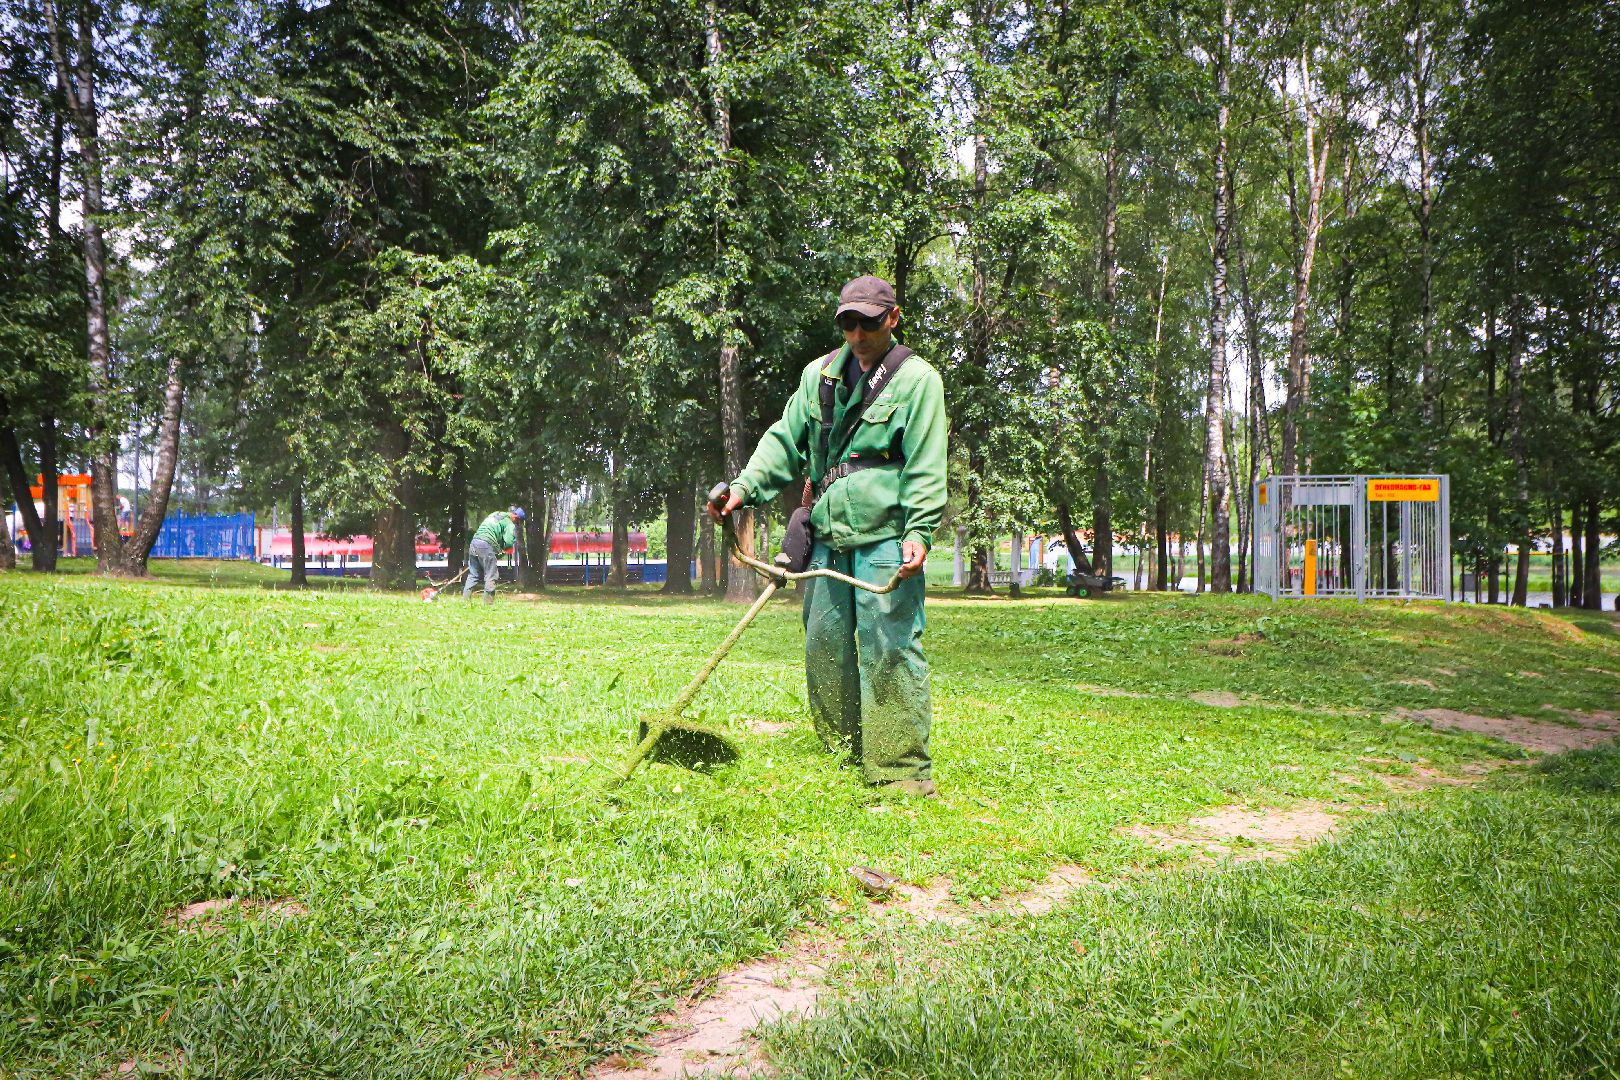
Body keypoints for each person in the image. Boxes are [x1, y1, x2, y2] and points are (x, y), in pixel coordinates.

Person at [709, 275, 948, 797]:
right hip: (826, 534)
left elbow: (926, 465)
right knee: (824, 646)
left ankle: (901, 771)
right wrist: (743, 488)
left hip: (886, 536)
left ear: (893, 317)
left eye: (867, 323)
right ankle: (844, 753)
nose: (857, 335)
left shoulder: (918, 381)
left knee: (889, 646)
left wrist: (920, 531)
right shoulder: (817, 378)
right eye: (848, 323)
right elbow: (782, 440)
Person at [464, 506, 524, 603]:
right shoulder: (510, 523)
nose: (516, 524)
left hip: (474, 542)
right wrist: (503, 548)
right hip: (486, 544)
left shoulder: (496, 514)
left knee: (473, 574)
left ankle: (465, 602)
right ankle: (488, 603)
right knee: (491, 574)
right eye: (518, 522)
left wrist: (496, 547)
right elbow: (508, 542)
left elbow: (492, 530)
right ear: (516, 518)